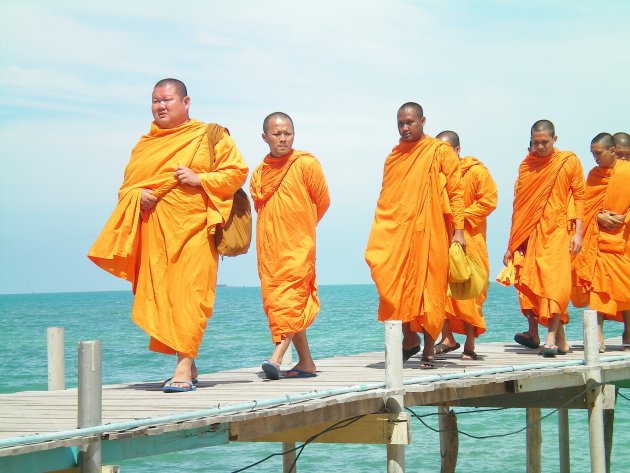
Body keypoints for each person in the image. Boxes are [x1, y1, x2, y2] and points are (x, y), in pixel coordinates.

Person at [88, 78, 248, 392]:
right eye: (156, 100)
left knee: (191, 296)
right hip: (157, 235)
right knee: (166, 298)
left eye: (168, 100)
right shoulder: (145, 144)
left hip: (196, 231)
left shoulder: (208, 135)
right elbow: (127, 188)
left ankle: (184, 368)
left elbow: (236, 172)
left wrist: (200, 177)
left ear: (185, 103)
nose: (161, 106)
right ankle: (188, 361)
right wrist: (138, 196)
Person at [365, 102, 465, 369]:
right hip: (400, 232)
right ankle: (409, 338)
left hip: (431, 231)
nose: (405, 128)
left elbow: (456, 192)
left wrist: (459, 231)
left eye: (410, 122)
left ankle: (429, 350)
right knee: (389, 280)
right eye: (400, 123)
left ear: (423, 121)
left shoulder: (438, 151)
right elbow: (387, 198)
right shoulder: (395, 156)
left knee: (428, 289)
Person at [250, 112, 330, 380]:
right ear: (265, 137)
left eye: (287, 133)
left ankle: (276, 356)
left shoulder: (306, 164)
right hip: (271, 249)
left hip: (298, 245)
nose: (283, 138)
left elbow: (323, 200)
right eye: (277, 134)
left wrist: (301, 226)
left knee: (292, 299)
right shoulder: (260, 173)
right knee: (281, 303)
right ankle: (306, 363)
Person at [499, 119, 585, 357]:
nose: (540, 147)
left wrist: (578, 232)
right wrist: (512, 242)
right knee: (536, 285)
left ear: (554, 139)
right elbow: (520, 206)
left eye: (544, 142)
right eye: (535, 143)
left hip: (558, 231)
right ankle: (560, 340)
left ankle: (549, 340)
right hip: (532, 233)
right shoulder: (527, 166)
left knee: (555, 285)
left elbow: (579, 197)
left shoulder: (568, 162)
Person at [434, 131, 497, 360]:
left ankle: (470, 345)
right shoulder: (437, 176)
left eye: (446, 151)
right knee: (439, 291)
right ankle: (448, 337)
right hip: (443, 239)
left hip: (470, 240)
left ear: (457, 150)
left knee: (470, 292)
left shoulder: (476, 171)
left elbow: (489, 201)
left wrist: (459, 216)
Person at [572, 133, 630, 351]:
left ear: (611, 151)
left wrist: (625, 218)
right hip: (597, 239)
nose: (595, 158)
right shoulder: (594, 175)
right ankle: (597, 336)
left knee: (626, 289)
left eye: (598, 153)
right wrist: (598, 217)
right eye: (593, 154)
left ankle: (628, 333)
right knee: (597, 287)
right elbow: (586, 207)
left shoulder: (627, 173)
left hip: (623, 239)